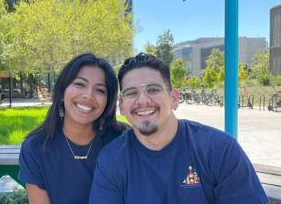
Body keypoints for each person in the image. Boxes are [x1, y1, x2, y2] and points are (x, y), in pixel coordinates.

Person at [89, 53, 268, 203]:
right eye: (131, 93)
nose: (142, 100)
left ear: (174, 98)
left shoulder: (219, 150)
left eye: (153, 90)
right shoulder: (111, 160)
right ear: (121, 106)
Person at [18, 53, 128, 204]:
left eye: (100, 90)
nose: (88, 96)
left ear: (108, 101)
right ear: (63, 91)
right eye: (80, 84)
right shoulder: (35, 148)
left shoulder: (121, 141)